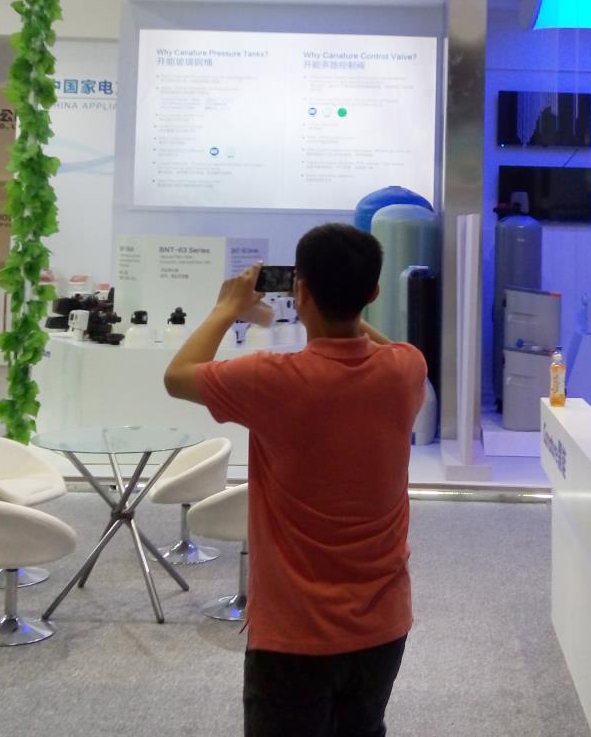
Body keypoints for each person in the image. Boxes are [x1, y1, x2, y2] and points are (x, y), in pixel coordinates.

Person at [163, 223, 427, 737]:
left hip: (294, 631)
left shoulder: (269, 378)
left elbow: (178, 376)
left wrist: (227, 308)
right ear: (373, 293)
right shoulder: (406, 369)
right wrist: (342, 308)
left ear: (299, 291)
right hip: (382, 624)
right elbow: (386, 345)